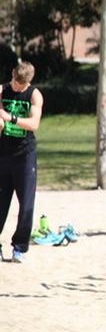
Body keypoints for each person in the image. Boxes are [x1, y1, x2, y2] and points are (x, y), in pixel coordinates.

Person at [0, 62, 43, 263]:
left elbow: (34, 124)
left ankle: (19, 247)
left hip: (25, 155)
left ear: (28, 82)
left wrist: (11, 118)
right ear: (12, 75)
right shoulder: (2, 90)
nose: (16, 87)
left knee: (26, 204)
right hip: (3, 154)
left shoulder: (34, 95)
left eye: (20, 85)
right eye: (15, 82)